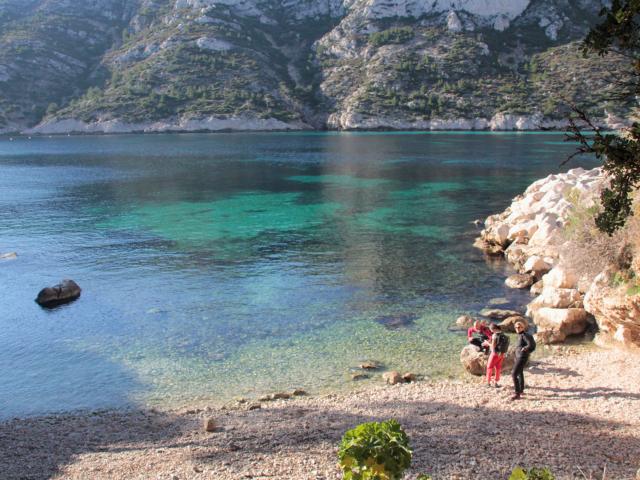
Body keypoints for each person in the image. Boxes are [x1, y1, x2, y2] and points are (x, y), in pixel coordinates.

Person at [511, 320, 536, 400]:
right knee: (519, 372)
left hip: (522, 357)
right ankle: (521, 390)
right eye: (516, 327)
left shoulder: (525, 335)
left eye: (519, 327)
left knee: (514, 373)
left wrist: (525, 348)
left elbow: (531, 345)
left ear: (523, 327)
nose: (517, 328)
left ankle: (517, 393)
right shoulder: (520, 335)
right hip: (519, 357)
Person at [486, 323, 508, 387]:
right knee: (498, 368)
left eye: (490, 329)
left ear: (493, 329)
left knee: (489, 367)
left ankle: (488, 383)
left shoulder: (494, 335)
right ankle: (496, 383)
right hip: (501, 353)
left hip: (494, 353)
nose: (490, 331)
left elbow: (493, 346)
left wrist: (487, 343)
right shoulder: (502, 334)